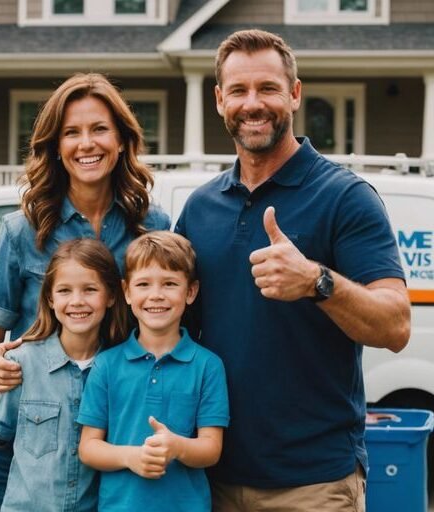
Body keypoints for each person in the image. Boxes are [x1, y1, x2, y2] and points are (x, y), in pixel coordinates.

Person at [175, 29, 411, 511]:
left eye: (268, 88)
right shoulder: (200, 210)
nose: (252, 103)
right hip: (211, 479)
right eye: (238, 91)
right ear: (220, 100)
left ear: (295, 94)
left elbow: (396, 325)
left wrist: (316, 282)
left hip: (313, 484)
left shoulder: (345, 197)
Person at [0, 73, 170, 512]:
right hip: (23, 447)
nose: (86, 144)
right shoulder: (21, 231)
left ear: (121, 139)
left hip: (114, 438)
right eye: (71, 132)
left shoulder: (152, 229)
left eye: (99, 129)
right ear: (55, 145)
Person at [78, 231, 230, 511]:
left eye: (170, 283)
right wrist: (131, 457)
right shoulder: (107, 365)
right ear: (126, 292)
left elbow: (211, 449)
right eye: (144, 284)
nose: (156, 295)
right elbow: (88, 448)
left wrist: (177, 447)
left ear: (191, 292)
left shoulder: (208, 366)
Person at [0, 238, 128, 511]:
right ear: (50, 299)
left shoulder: (121, 369)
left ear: (111, 296)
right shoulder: (21, 364)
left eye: (90, 289)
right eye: (64, 291)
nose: (77, 301)